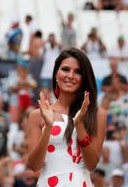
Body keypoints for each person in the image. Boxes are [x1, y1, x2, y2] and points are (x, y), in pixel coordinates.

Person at [27, 48, 107, 186]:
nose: (70, 75)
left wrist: (79, 124)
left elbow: (92, 164)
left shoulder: (97, 114)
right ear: (56, 74)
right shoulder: (37, 115)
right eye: (65, 69)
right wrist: (48, 127)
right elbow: (34, 166)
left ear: (84, 78)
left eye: (78, 72)